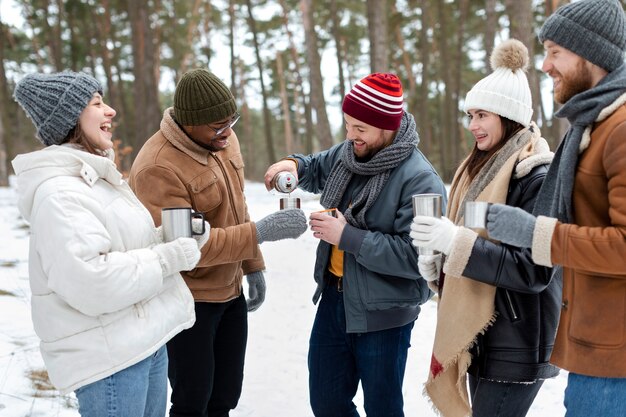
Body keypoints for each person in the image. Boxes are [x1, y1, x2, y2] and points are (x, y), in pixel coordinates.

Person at [11, 71, 203, 417]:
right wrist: (167, 258)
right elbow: (93, 281)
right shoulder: (60, 194)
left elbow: (124, 249)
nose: (111, 111)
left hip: (143, 342)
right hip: (110, 361)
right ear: (70, 117)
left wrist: (171, 238)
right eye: (97, 103)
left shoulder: (95, 179)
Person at [264, 72, 446, 417]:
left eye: (360, 129)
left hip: (385, 312)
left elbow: (419, 258)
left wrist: (346, 236)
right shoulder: (350, 154)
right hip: (335, 299)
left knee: (382, 408)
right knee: (326, 402)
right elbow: (317, 167)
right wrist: (293, 164)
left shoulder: (422, 180)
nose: (350, 136)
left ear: (387, 127)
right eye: (348, 125)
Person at [128, 68, 307, 417]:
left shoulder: (224, 139)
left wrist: (253, 266)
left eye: (232, 121)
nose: (227, 132)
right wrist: (260, 234)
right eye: (217, 126)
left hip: (230, 293)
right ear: (188, 122)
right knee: (193, 400)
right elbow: (186, 248)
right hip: (188, 300)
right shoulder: (157, 167)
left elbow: (237, 207)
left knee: (225, 397)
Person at [484, 1, 626, 416]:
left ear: (590, 53)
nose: (545, 65)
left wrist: (534, 234)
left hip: (614, 357)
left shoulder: (618, 131)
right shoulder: (593, 125)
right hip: (597, 345)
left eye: (555, 51)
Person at [410, 39, 559, 417]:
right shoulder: (481, 170)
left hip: (517, 342)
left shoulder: (536, 176)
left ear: (507, 117)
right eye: (470, 115)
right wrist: (441, 265)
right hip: (486, 337)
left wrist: (455, 242)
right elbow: (475, 243)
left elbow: (534, 270)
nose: (472, 126)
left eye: (481, 115)